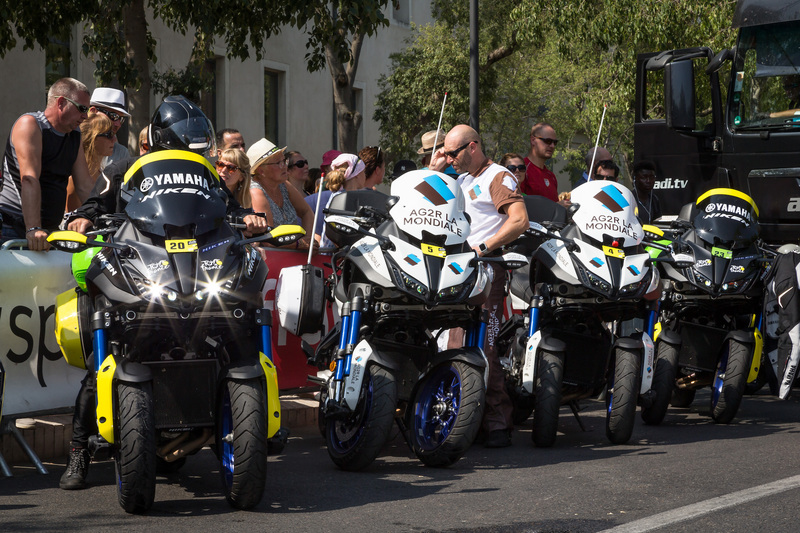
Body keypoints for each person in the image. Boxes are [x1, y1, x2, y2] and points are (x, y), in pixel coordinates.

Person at [61, 95, 267, 491]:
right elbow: (101, 202)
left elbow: (228, 211)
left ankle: (246, 423)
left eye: (197, 136)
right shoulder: (130, 170)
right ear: (163, 136)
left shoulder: (206, 177)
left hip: (195, 277)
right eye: (186, 134)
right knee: (101, 359)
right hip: (148, 272)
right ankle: (78, 452)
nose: (192, 142)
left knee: (237, 330)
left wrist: (250, 219)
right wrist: (84, 216)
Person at [430, 125, 528, 448]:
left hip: (486, 270)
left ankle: (497, 422)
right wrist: (434, 170)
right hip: (456, 270)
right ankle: (458, 419)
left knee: (484, 345)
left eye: (453, 153)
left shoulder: (498, 176)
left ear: (472, 146)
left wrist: (483, 248)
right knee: (453, 343)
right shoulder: (459, 180)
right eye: (445, 153)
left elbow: (519, 220)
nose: (449, 159)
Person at [0, 77, 94, 250]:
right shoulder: (30, 124)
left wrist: (101, 217)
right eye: (82, 108)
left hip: (47, 231)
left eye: (87, 110)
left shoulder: (75, 134)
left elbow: (84, 185)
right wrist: (33, 228)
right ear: (61, 103)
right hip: (13, 227)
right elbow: (29, 179)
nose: (85, 116)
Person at [247, 138, 314, 248]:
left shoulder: (284, 185)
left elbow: (307, 212)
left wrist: (308, 240)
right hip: (272, 256)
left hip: (293, 254)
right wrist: (300, 244)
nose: (285, 166)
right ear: (261, 170)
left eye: (284, 161)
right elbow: (268, 239)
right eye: (278, 163)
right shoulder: (256, 192)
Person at [65, 114, 116, 213]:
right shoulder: (75, 180)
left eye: (114, 134)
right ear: (92, 138)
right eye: (109, 135)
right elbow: (73, 217)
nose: (114, 139)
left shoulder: (101, 173)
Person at [318, 153, 367, 249]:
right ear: (357, 174)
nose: (365, 175)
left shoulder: (341, 195)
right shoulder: (342, 198)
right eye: (364, 172)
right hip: (333, 255)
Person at [88, 87, 131, 166]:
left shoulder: (121, 153)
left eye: (121, 119)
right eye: (114, 116)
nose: (118, 124)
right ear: (93, 111)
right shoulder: (73, 143)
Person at [522, 123, 560, 202]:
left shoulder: (551, 176)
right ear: (533, 140)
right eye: (548, 141)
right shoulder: (520, 169)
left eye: (555, 142)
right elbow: (519, 205)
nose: (552, 146)